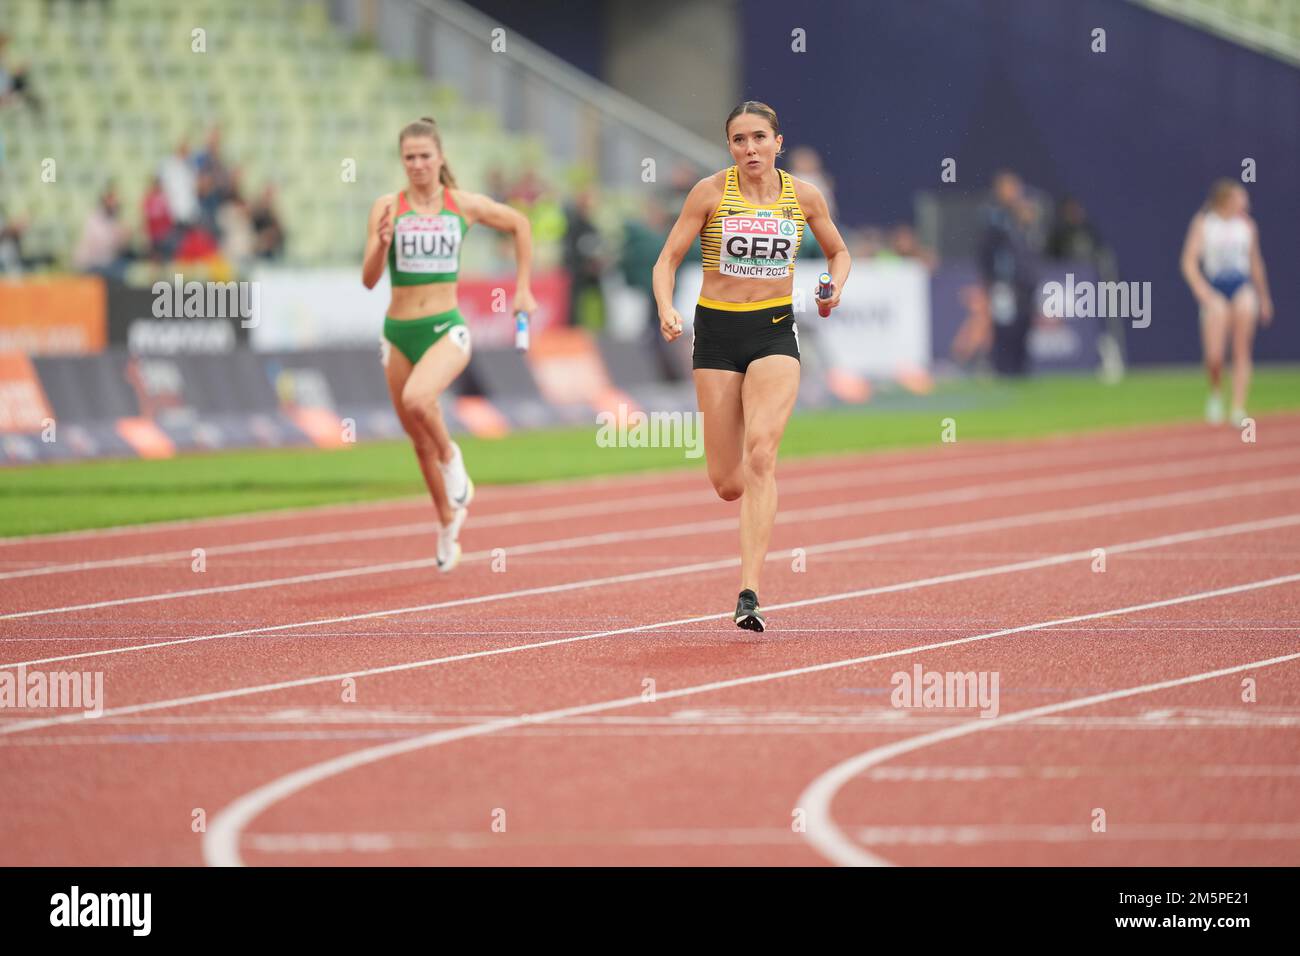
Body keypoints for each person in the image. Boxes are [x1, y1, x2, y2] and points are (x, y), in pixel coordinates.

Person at [652, 100, 850, 632]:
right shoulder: (710, 192)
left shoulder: (803, 196)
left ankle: (749, 593)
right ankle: (741, 502)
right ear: (730, 147)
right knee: (728, 483)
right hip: (715, 335)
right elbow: (667, 258)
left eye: (759, 138)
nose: (750, 149)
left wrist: (832, 288)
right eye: (739, 140)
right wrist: (667, 306)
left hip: (773, 332)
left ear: (778, 142)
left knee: (761, 453)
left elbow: (839, 252)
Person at [362, 116, 535, 571]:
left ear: (440, 157)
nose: (417, 164)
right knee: (416, 437)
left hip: (445, 327)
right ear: (402, 162)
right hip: (398, 331)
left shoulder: (463, 204)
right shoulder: (387, 207)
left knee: (419, 398)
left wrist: (522, 288)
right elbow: (367, 280)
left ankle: (452, 455)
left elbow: (519, 224)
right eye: (409, 158)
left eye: (425, 156)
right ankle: (445, 523)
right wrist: (381, 246)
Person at [1180, 180, 1274, 427]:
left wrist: (1264, 297)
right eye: (1240, 198)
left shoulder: (1247, 226)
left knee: (1242, 349)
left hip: (1241, 285)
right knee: (1215, 353)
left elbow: (1255, 263)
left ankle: (1238, 406)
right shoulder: (1204, 224)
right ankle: (1215, 394)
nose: (1245, 203)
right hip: (1215, 287)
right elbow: (1189, 262)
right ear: (1225, 200)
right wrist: (1203, 292)